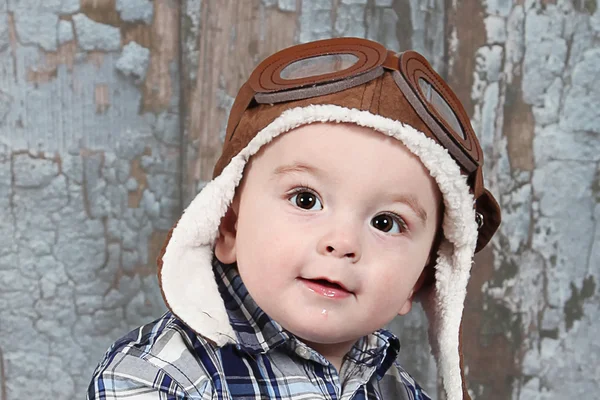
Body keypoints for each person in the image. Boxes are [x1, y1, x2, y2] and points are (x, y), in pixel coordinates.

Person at [87, 38, 501, 400]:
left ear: (421, 280)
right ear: (228, 227)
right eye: (305, 200)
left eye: (386, 223)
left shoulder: (394, 388)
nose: (342, 242)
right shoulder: (160, 375)